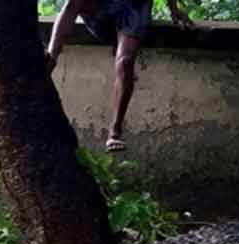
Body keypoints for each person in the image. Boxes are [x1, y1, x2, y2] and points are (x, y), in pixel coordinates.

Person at [45, 0, 194, 152]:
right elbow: (70, 9)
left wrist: (173, 9)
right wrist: (53, 51)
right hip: (101, 12)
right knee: (73, 3)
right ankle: (51, 57)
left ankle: (115, 131)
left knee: (125, 62)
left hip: (132, 7)